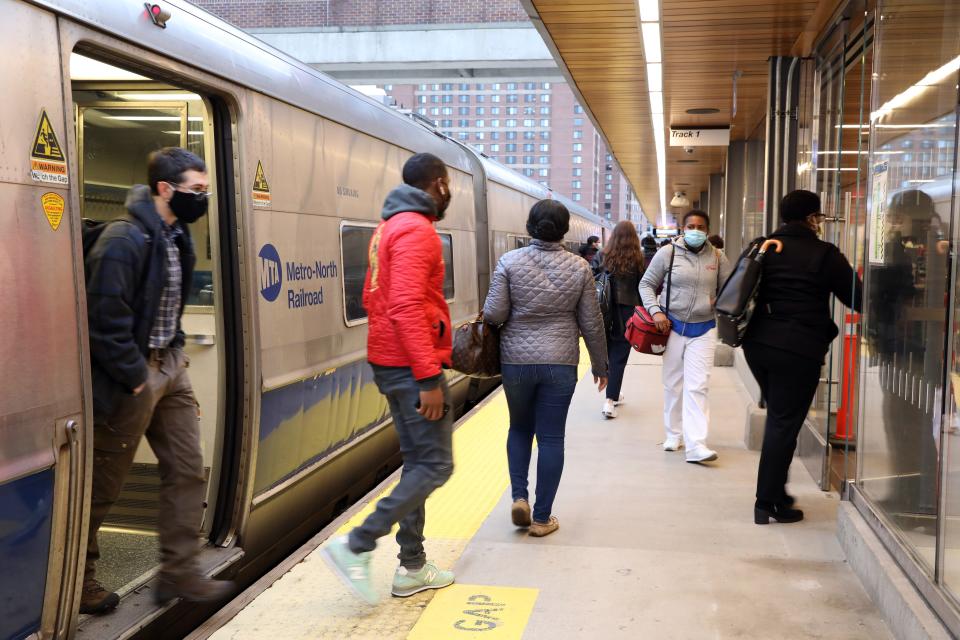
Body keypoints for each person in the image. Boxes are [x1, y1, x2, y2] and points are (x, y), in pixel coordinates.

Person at [81, 147, 233, 614]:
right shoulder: (124, 240)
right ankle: (79, 579)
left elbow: (167, 305)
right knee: (105, 482)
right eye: (197, 190)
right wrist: (133, 378)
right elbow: (103, 317)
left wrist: (177, 352)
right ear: (165, 189)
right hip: (134, 372)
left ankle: (177, 572)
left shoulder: (177, 236)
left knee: (188, 467)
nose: (203, 198)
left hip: (170, 364)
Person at [323, 153, 455, 604]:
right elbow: (404, 306)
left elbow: (373, 297)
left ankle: (412, 567)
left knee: (418, 464)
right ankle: (356, 545)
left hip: (388, 360)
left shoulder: (387, 228)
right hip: (408, 366)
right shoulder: (418, 231)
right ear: (437, 184)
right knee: (437, 465)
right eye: (448, 182)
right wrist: (428, 376)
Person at [484, 200, 608, 537]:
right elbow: (591, 322)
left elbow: (493, 315)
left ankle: (519, 496)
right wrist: (600, 365)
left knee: (520, 428)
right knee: (551, 437)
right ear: (565, 229)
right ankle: (541, 518)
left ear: (529, 225)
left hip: (516, 361)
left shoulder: (508, 262)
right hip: (560, 361)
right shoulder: (580, 268)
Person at [743, 190, 862, 524]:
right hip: (798, 348)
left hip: (756, 345)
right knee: (784, 422)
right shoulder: (824, 254)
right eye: (819, 217)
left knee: (782, 419)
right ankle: (765, 502)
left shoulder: (765, 246)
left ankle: (777, 497)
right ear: (812, 218)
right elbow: (858, 297)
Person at [640, 210, 731, 463]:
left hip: (704, 328)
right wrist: (656, 312)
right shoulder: (667, 253)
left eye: (700, 226)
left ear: (707, 229)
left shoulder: (718, 256)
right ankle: (673, 433)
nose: (695, 230)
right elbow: (646, 284)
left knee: (698, 385)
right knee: (673, 384)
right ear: (682, 228)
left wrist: (718, 301)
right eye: (690, 225)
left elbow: (730, 289)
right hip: (670, 326)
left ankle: (696, 445)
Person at [600, 221, 646, 418]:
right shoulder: (638, 258)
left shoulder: (604, 255)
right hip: (627, 313)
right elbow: (643, 286)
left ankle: (614, 392)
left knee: (607, 352)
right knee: (618, 357)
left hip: (604, 310)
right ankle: (610, 401)